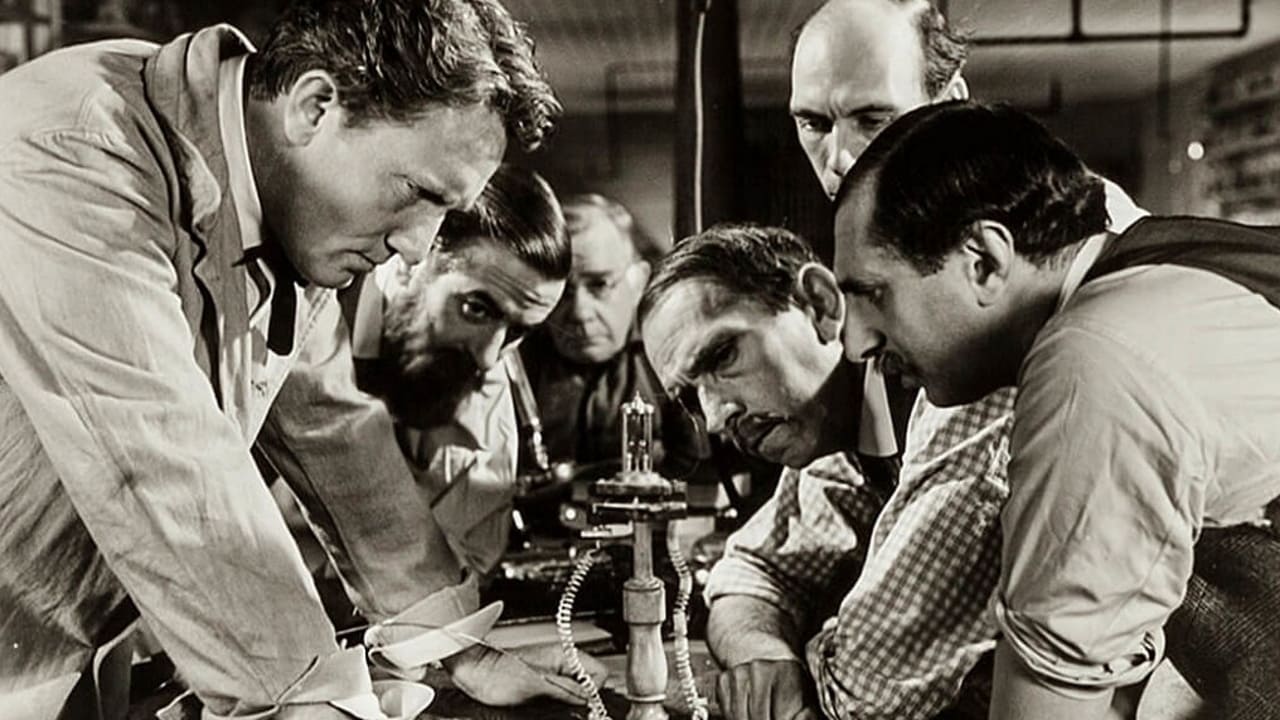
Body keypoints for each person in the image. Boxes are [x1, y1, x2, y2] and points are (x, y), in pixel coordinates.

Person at [0, 0, 591, 716]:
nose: (416, 247)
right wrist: (312, 696)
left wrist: (459, 649)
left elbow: (334, 433)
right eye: (419, 193)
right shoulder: (78, 150)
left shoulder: (280, 199)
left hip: (58, 666)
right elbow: (156, 456)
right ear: (315, 106)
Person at [646, 2, 1145, 719]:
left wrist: (797, 663)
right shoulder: (901, 291)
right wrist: (762, 653)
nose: (839, 161)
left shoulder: (997, 293)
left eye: (872, 119)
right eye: (814, 124)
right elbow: (759, 564)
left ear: (951, 103)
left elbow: (868, 689)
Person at [834, 100, 1280, 720]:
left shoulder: (1093, 363)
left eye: (873, 295)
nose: (855, 343)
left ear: (984, 260)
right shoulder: (1166, 269)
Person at [345, 163, 569, 577]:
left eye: (517, 332)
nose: (489, 357)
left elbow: (465, 568)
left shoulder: (487, 390)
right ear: (412, 261)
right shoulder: (312, 323)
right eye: (476, 309)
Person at [519, 193, 711, 480]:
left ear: (638, 281)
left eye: (600, 284)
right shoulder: (513, 361)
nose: (580, 312)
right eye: (561, 291)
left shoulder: (679, 356)